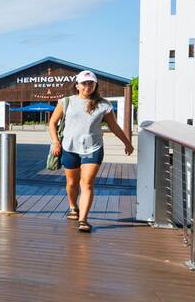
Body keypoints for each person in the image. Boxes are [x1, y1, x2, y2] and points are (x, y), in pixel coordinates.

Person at [49, 70, 134, 233]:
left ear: (95, 85)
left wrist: (127, 143)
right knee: (72, 183)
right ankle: (73, 207)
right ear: (77, 85)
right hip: (69, 147)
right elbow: (52, 123)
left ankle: (83, 219)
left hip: (92, 148)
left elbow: (114, 126)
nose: (88, 86)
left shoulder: (103, 104)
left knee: (87, 183)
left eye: (91, 83)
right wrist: (55, 142)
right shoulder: (66, 101)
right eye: (84, 83)